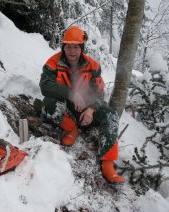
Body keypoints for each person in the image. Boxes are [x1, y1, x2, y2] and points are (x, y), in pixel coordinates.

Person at [39, 25, 125, 183]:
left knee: (111, 115)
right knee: (49, 103)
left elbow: (99, 91)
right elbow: (45, 86)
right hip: (64, 105)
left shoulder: (93, 66)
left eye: (76, 47)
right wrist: (71, 94)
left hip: (85, 106)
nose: (72, 51)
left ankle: (108, 163)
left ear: (81, 48)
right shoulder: (53, 62)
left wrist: (91, 109)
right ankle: (71, 128)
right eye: (69, 47)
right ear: (64, 47)